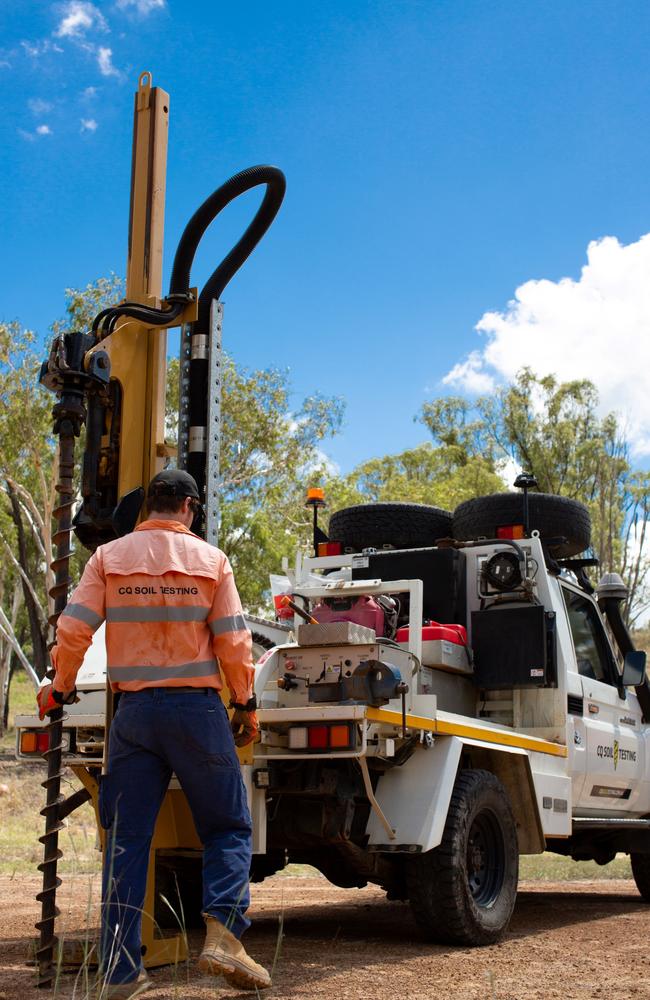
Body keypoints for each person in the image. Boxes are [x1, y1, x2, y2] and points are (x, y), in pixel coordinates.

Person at [37, 469, 271, 999]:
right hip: (197, 712)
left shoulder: (109, 558)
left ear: (147, 506)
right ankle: (223, 936)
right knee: (227, 827)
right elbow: (234, 644)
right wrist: (245, 705)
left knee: (126, 842)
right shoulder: (212, 562)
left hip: (135, 714)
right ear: (190, 507)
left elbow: (74, 629)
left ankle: (121, 975)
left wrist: (61, 685)